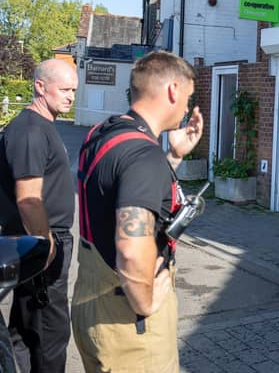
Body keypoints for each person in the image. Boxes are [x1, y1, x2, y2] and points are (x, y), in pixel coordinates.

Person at [71, 50, 203, 372]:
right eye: (188, 97)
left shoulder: (104, 133)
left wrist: (173, 156)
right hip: (129, 322)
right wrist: (146, 303)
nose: (187, 108)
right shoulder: (143, 156)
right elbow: (131, 250)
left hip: (93, 301)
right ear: (173, 90)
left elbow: (122, 190)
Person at [0, 58, 78, 372]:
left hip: (35, 239)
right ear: (40, 87)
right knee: (50, 333)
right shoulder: (31, 130)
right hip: (40, 240)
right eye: (64, 89)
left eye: (74, 89)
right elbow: (29, 200)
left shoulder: (40, 125)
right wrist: (45, 245)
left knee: (27, 325)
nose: (71, 96)